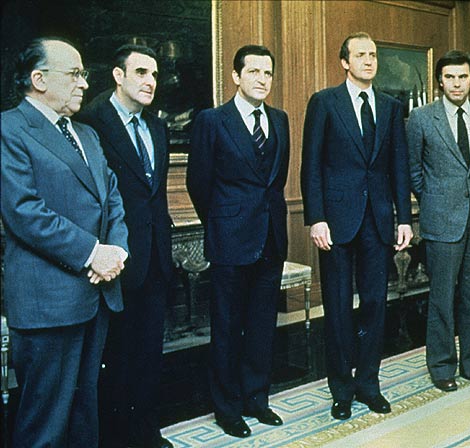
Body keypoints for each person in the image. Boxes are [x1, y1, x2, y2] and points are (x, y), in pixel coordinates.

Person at [0, 37, 129, 447]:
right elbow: (24, 211)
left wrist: (116, 250)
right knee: (45, 425)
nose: (84, 83)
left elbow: (112, 199)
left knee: (82, 416)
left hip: (95, 296)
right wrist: (93, 253)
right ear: (38, 79)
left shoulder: (87, 134)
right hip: (48, 304)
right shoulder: (9, 129)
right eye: (74, 73)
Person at [301, 32, 413, 421]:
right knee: (336, 307)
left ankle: (368, 384)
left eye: (373, 54)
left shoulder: (391, 106)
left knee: (375, 304)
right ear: (344, 62)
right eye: (360, 55)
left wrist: (404, 218)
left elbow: (399, 165)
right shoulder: (324, 103)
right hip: (335, 222)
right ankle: (341, 390)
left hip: (378, 222)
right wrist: (316, 217)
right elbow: (311, 165)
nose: (369, 60)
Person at [186, 44, 289, 439]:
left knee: (262, 325)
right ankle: (227, 408)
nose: (262, 79)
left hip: (271, 238)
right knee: (228, 328)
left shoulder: (279, 120)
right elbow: (199, 183)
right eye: (254, 72)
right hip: (230, 239)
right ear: (235, 76)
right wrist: (222, 222)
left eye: (268, 73)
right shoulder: (213, 121)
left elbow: (275, 182)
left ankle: (256, 399)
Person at [78, 44, 174, 448]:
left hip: (155, 258)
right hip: (114, 259)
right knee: (114, 357)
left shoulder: (156, 126)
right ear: (118, 76)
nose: (151, 82)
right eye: (141, 73)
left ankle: (147, 433)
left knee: (150, 354)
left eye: (154, 75)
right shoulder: (91, 121)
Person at [407, 50, 470, 392]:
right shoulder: (421, 118)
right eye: (449, 77)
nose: (456, 83)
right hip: (442, 220)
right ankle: (442, 366)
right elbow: (414, 171)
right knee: (442, 297)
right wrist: (435, 200)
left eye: (462, 77)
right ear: (440, 82)